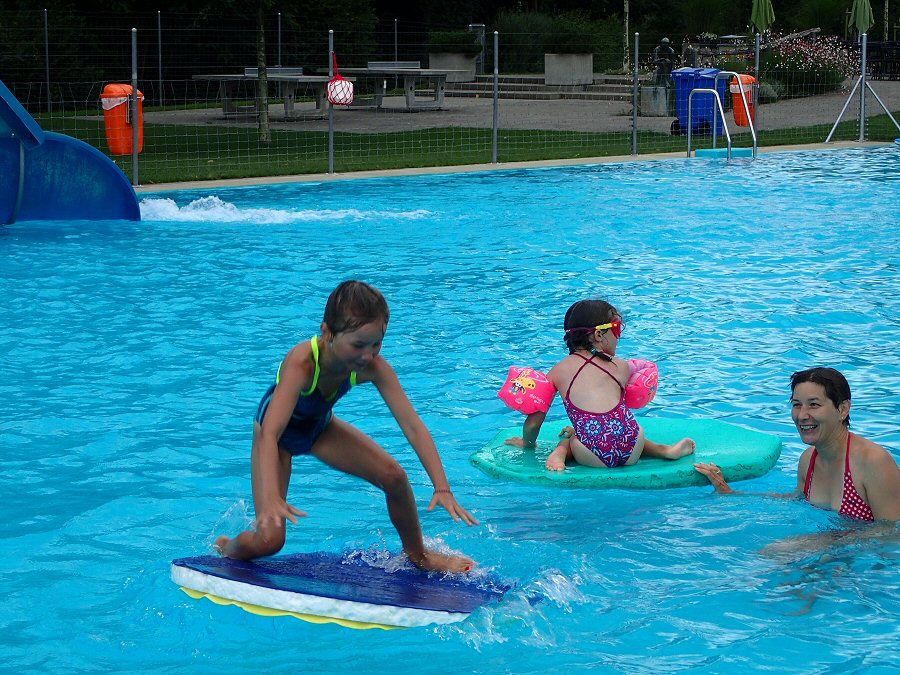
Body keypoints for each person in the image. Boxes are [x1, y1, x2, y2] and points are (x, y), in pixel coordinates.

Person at [215, 280, 478, 573]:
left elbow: (412, 424)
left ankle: (419, 556)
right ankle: (227, 547)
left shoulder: (372, 366)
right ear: (327, 332)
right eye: (358, 345)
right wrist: (273, 498)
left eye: (376, 344)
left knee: (394, 478)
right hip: (274, 438)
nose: (368, 355)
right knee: (269, 541)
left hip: (318, 427)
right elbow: (271, 433)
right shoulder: (302, 363)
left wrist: (441, 487)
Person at [505, 299, 695, 471]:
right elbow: (609, 417)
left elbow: (533, 424)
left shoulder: (558, 372)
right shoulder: (621, 366)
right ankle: (665, 450)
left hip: (595, 454)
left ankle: (560, 454)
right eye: (617, 329)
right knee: (622, 428)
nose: (618, 336)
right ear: (598, 335)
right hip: (633, 446)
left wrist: (527, 444)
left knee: (570, 440)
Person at [695, 367, 900, 522]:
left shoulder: (872, 461)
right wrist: (728, 492)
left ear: (843, 409)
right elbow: (795, 499)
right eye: (796, 405)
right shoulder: (809, 459)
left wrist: (826, 544)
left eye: (814, 404)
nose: (802, 415)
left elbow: (892, 533)